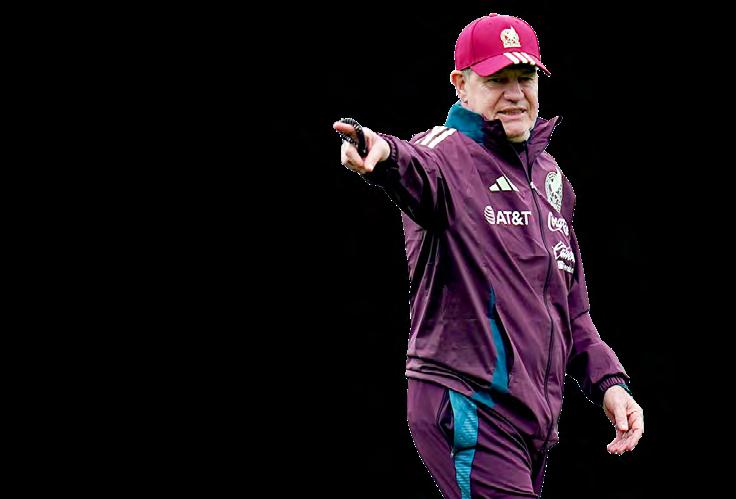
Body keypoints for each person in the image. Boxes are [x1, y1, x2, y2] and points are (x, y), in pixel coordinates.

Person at [333, 12, 644, 499]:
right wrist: (383, 154)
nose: (515, 93)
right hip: (468, 399)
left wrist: (609, 383)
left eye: (525, 78)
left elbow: (572, 310)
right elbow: (413, 165)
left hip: (531, 420)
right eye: (498, 80)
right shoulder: (446, 154)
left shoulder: (551, 179)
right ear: (461, 85)